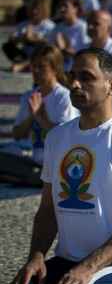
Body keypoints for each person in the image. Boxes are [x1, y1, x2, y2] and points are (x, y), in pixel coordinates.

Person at [3, 47, 112, 284]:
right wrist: (36, 256)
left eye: (86, 78)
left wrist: (88, 268)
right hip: (69, 259)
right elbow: (47, 210)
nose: (74, 84)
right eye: (73, 76)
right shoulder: (57, 137)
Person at [0, 46, 78, 186]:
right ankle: (26, 179)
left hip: (60, 164)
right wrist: (32, 117)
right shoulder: (29, 96)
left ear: (56, 69)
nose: (35, 70)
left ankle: (20, 179)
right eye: (34, 66)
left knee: (53, 175)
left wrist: (40, 119)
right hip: (34, 163)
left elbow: (65, 136)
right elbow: (17, 135)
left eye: (41, 67)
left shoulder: (64, 97)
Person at [76, 11, 112, 121]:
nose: (90, 27)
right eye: (89, 23)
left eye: (95, 24)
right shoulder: (81, 49)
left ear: (109, 28)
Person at [3, 0, 55, 73]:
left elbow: (49, 41)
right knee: (7, 46)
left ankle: (22, 65)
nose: (34, 12)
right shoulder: (25, 23)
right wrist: (23, 38)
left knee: (46, 50)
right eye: (33, 9)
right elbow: (11, 38)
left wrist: (32, 39)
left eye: (38, 10)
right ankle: (23, 62)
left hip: (41, 54)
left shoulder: (49, 25)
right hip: (25, 53)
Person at [47, 0, 90, 72]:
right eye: (60, 6)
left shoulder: (83, 27)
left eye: (65, 6)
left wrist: (63, 49)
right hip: (60, 71)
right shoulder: (57, 28)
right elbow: (49, 52)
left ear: (75, 8)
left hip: (76, 71)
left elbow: (85, 53)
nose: (62, 9)